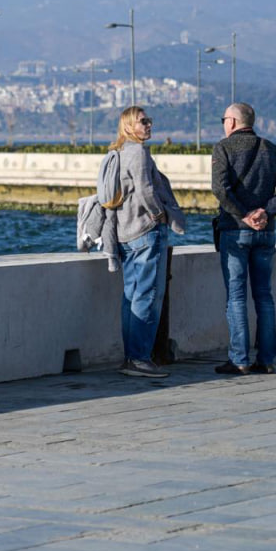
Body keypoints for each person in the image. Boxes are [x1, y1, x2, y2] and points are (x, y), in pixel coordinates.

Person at [211, 102, 276, 375]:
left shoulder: (223, 148)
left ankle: (239, 359)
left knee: (236, 297)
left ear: (232, 122)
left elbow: (220, 190)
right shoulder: (271, 149)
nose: (224, 124)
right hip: (265, 232)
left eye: (224, 119)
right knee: (264, 296)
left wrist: (244, 214)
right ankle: (266, 360)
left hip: (234, 231)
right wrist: (265, 212)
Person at [110, 106, 185, 379]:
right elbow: (145, 189)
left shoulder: (118, 153)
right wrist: (159, 214)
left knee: (131, 296)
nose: (149, 125)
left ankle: (131, 357)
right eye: (143, 121)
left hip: (126, 233)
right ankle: (140, 358)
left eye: (149, 120)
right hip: (145, 231)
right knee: (148, 295)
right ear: (129, 126)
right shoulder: (138, 152)